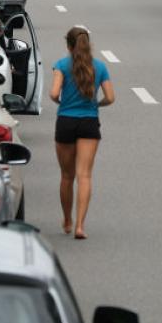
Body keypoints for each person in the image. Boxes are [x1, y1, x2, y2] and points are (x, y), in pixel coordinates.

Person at [50, 27, 115, 240]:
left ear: (68, 45)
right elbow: (110, 97)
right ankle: (80, 225)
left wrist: (61, 102)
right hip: (89, 122)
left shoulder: (61, 65)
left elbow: (53, 93)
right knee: (84, 175)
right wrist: (98, 104)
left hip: (66, 122)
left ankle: (67, 219)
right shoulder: (99, 67)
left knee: (66, 176)